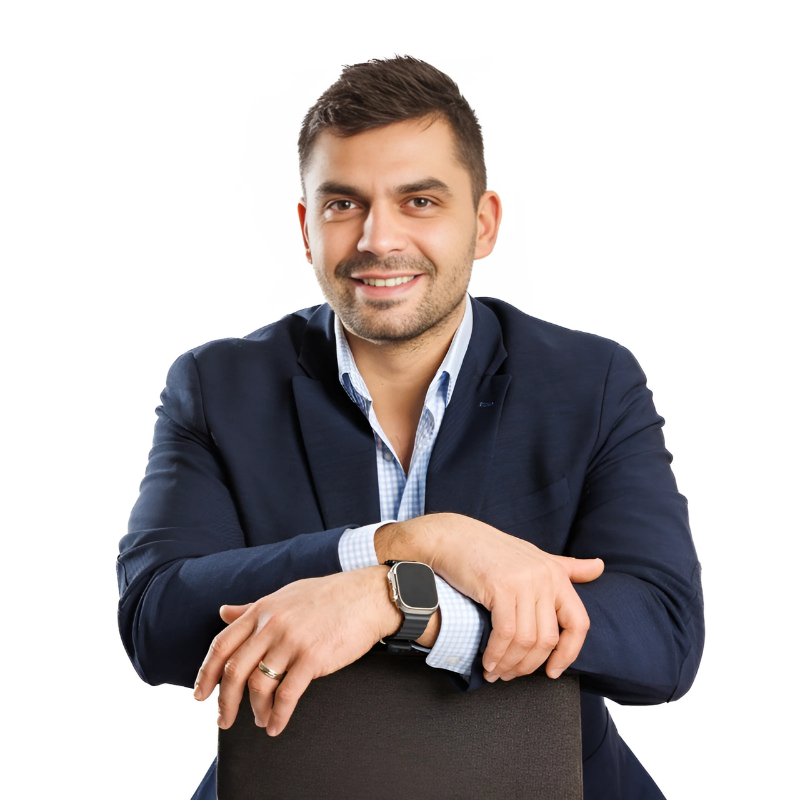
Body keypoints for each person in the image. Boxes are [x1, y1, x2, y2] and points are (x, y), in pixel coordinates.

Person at [117, 56, 704, 799]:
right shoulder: (217, 386)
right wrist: (410, 542)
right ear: (306, 229)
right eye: (343, 204)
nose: (377, 238)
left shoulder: (591, 381)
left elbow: (661, 637)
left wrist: (396, 598)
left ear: (483, 223)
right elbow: (157, 619)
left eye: (419, 201)